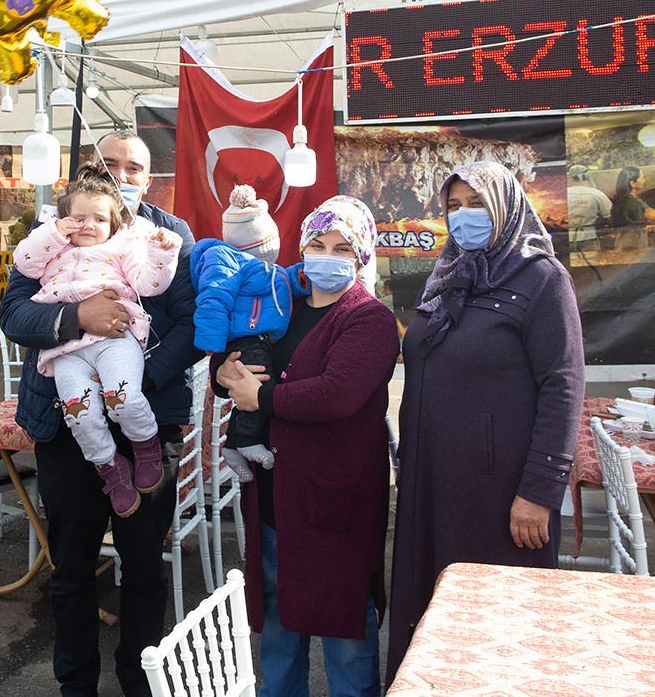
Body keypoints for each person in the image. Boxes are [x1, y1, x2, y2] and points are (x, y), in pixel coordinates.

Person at [0, 130, 197, 697]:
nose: (121, 174)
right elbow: (13, 313)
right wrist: (76, 319)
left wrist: (141, 378)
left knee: (143, 565)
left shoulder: (168, 234)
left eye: (134, 167)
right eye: (109, 163)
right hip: (65, 424)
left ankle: (139, 681)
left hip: (147, 421)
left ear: (149, 175)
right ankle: (76, 683)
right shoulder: (56, 228)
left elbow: (191, 322)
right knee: (71, 565)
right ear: (89, 168)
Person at [386, 161, 585, 685]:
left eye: (476, 204)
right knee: (433, 619)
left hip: (499, 495)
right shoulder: (449, 273)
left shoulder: (541, 278)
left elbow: (563, 386)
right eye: (453, 206)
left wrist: (541, 490)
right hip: (432, 485)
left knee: (497, 629)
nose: (463, 217)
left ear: (506, 207)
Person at [215, 195, 399, 697]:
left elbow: (338, 394)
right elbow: (240, 355)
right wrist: (226, 372)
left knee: (345, 624)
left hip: (333, 496)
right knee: (279, 615)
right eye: (316, 244)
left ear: (362, 255)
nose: (327, 255)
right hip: (276, 494)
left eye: (342, 247)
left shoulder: (369, 319)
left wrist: (263, 396)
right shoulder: (282, 304)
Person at [12, 169, 182, 517]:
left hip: (115, 341)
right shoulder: (51, 249)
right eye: (78, 218)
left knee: (125, 398)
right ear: (62, 220)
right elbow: (24, 264)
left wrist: (161, 254)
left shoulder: (123, 249)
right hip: (65, 351)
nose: (88, 225)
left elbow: (151, 285)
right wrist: (54, 234)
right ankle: (110, 467)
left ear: (114, 224)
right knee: (80, 415)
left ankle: (145, 447)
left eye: (99, 218)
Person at [190, 183, 302, 481]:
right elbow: (214, 297)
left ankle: (235, 444)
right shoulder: (226, 261)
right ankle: (248, 440)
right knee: (261, 383)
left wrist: (302, 279)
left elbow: (284, 281)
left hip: (259, 338)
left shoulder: (268, 269)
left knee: (253, 386)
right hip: (243, 339)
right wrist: (211, 342)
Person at [566, 164, 611, 252]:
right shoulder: (597, 193)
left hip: (567, 240)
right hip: (589, 239)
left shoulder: (564, 194)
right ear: (587, 177)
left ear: (572, 178)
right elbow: (609, 215)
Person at [610, 165, 655, 250]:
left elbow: (629, 222)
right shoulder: (632, 201)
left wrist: (644, 226)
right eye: (642, 178)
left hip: (623, 241)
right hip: (633, 243)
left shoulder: (622, 198)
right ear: (632, 183)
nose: (644, 180)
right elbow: (652, 215)